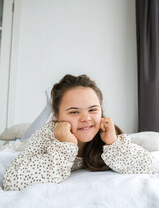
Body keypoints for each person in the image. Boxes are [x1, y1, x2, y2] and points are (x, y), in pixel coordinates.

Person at [3, 74, 159, 191]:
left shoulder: (106, 132)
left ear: (101, 110)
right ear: (57, 116)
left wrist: (113, 143)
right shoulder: (46, 134)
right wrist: (65, 147)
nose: (86, 118)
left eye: (93, 109)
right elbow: (12, 181)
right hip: (34, 140)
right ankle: (47, 107)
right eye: (74, 112)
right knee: (23, 140)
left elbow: (151, 167)